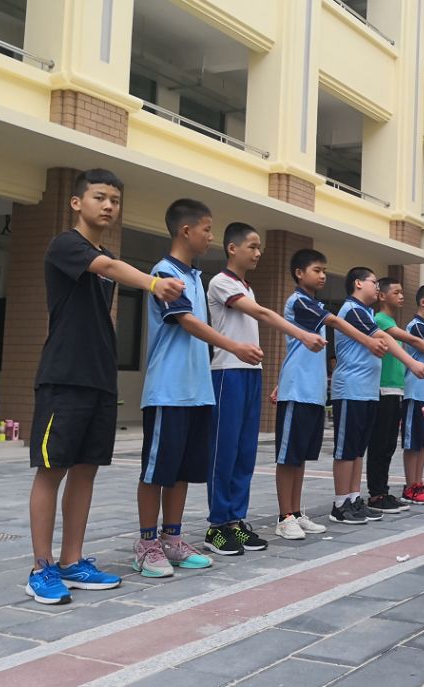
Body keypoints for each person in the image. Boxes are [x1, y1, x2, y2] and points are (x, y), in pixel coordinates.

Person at [26, 169, 185, 604]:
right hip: (63, 377)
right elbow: (109, 266)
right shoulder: (66, 246)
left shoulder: (104, 255)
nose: (109, 206)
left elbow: (109, 265)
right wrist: (153, 282)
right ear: (77, 203)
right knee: (51, 470)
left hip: (99, 379)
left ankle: (72, 560)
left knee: (85, 470)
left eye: (115, 199)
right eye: (100, 197)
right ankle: (41, 567)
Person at [134, 199, 264, 578]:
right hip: (168, 390)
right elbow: (187, 322)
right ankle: (146, 544)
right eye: (206, 229)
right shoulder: (163, 272)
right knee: (156, 472)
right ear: (185, 231)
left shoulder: (194, 275)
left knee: (183, 471)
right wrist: (235, 347)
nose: (211, 235)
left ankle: (172, 540)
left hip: (198, 390)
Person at [204, 223, 326, 556]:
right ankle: (217, 525)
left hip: (251, 373)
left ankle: (235, 522)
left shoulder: (246, 285)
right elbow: (259, 313)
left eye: (260, 248)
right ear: (232, 248)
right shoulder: (220, 282)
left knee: (245, 452)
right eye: (252, 246)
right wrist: (301, 334)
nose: (258, 253)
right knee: (224, 450)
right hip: (227, 373)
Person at [272, 249, 384, 540]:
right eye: (317, 270)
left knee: (300, 458)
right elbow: (333, 322)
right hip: (297, 389)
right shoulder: (299, 301)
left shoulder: (313, 303)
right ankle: (284, 516)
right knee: (288, 458)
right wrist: (367, 341)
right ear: (299, 273)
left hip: (312, 392)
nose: (323, 275)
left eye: (324, 270)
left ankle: (296, 513)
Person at [329, 268, 424, 525]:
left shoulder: (362, 312)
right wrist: (411, 362)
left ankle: (353, 498)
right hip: (351, 389)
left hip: (366, 390)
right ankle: (340, 504)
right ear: (359, 283)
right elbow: (383, 337)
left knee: (358, 448)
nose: (376, 287)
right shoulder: (352, 309)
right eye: (374, 282)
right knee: (346, 449)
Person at [365, 278, 424, 512]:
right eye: (397, 292)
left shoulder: (398, 323)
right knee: (392, 444)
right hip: (399, 389)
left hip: (402, 389)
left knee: (404, 444)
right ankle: (393, 490)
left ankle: (412, 485)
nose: (401, 296)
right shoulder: (387, 321)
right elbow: (416, 342)